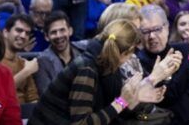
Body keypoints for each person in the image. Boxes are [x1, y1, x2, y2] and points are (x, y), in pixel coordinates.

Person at [29, 19, 167, 124]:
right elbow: (81, 123)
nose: (132, 58)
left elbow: (111, 115)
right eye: (132, 53)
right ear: (126, 52)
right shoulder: (87, 69)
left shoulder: (105, 65)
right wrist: (122, 102)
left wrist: (135, 99)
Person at [35, 11, 80, 94]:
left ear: (70, 31)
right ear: (46, 36)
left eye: (62, 30)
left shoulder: (82, 52)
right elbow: (46, 95)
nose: (59, 35)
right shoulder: (42, 61)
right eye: (53, 32)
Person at [0, 14, 39, 103]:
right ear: (6, 33)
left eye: (27, 33)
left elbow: (33, 97)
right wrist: (26, 72)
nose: (23, 36)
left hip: (25, 114)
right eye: (19, 30)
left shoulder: (23, 63)